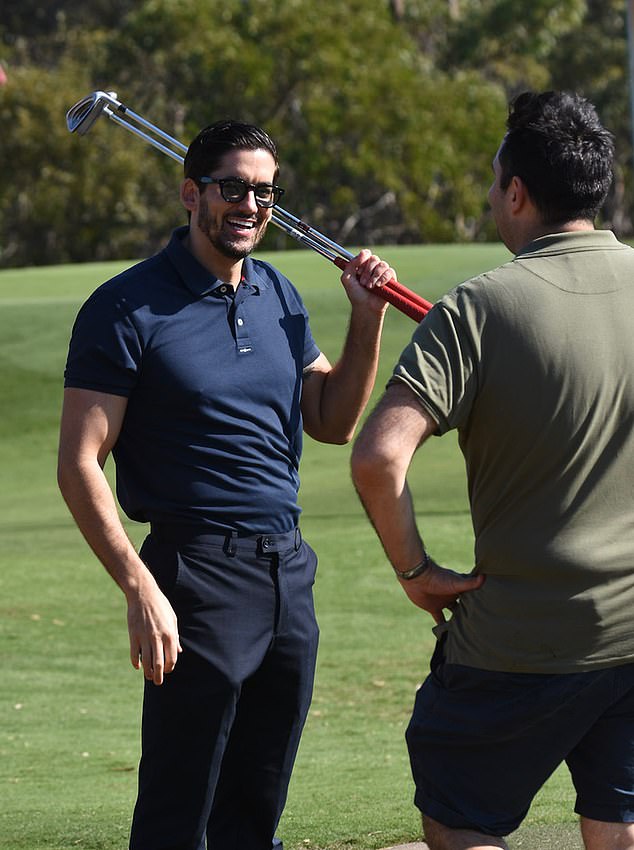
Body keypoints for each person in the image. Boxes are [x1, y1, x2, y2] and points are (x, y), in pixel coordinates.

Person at [57, 118, 395, 850]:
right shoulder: (126, 307)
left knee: (256, 805)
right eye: (233, 189)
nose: (249, 206)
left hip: (286, 571)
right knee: (182, 814)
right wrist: (140, 587)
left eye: (264, 193)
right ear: (191, 194)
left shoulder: (277, 293)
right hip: (194, 574)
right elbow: (80, 461)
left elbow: (332, 421)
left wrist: (366, 322)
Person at [350, 90, 634, 850]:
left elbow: (379, 456)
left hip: (519, 639)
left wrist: (414, 570)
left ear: (517, 192)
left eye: (493, 180)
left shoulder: (478, 307)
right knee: (619, 819)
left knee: (458, 812)